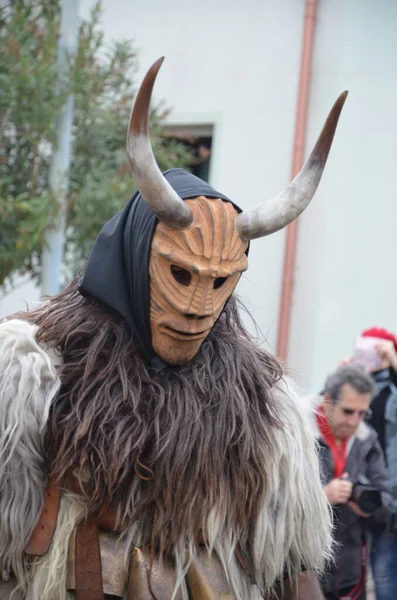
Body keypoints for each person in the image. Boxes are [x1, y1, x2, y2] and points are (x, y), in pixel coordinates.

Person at [0, 58, 347, 600]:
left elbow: (292, 567)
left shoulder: (267, 412)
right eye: (179, 273)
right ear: (139, 256)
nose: (194, 307)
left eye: (219, 283)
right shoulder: (31, 376)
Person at [311, 364, 392, 600]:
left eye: (362, 413)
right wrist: (323, 497)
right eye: (348, 411)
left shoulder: (366, 438)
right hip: (301, 571)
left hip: (350, 572)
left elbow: (387, 498)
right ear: (327, 401)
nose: (355, 421)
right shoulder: (297, 435)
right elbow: (271, 503)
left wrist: (367, 505)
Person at [360, 327, 397, 600]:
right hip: (363, 494)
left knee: (384, 570)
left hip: (393, 495)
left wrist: (392, 360)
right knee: (366, 568)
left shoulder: (392, 388)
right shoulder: (359, 386)